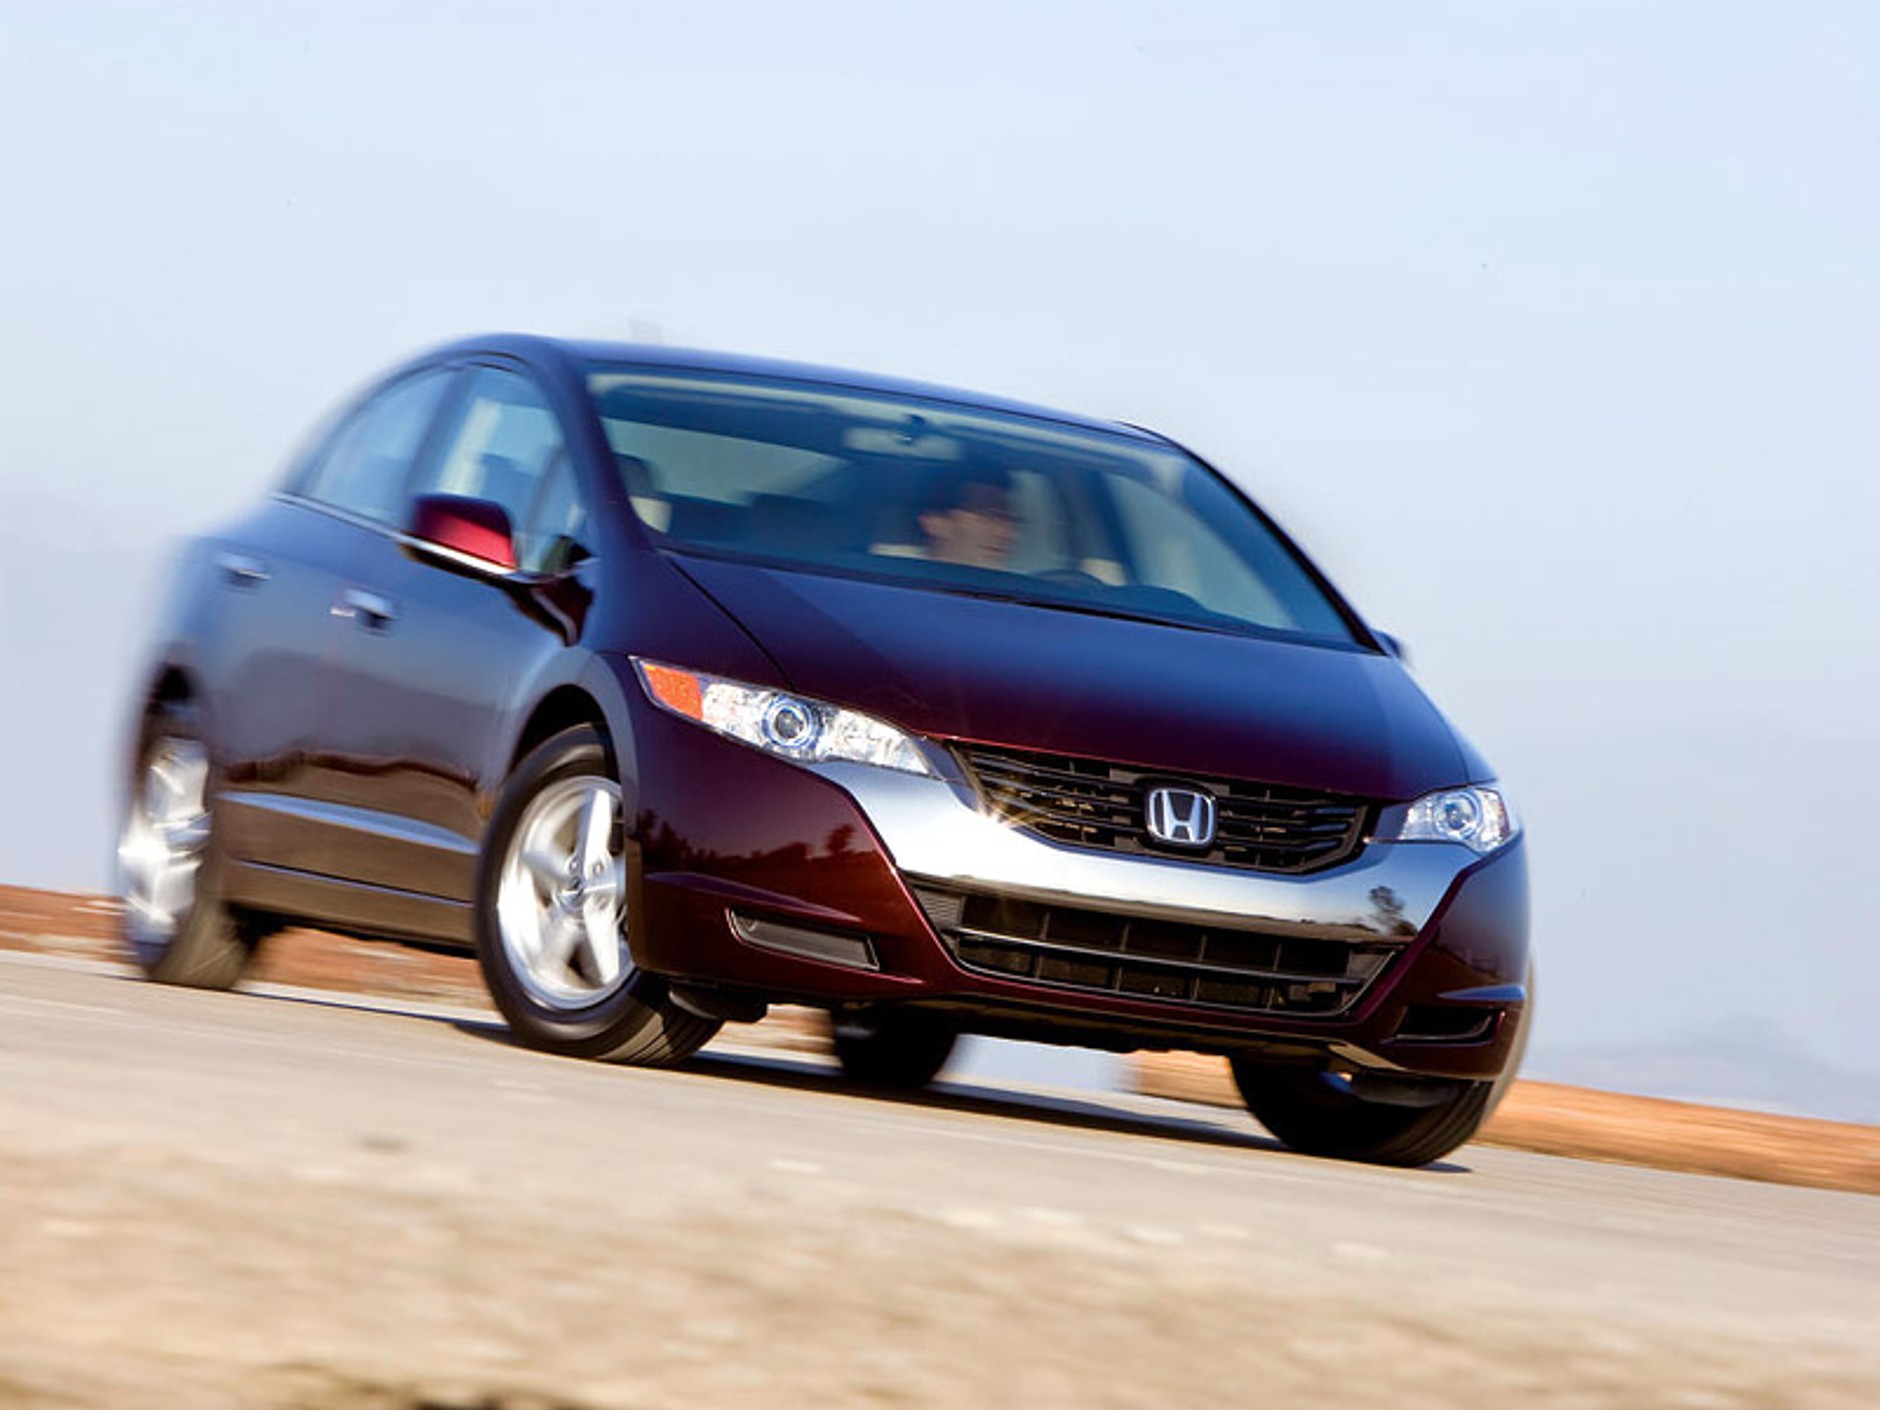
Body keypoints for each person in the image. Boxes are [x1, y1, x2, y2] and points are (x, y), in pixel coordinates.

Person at [916, 463, 1018, 569]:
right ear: (934, 522)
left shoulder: (1019, 583)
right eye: (988, 517)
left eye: (1010, 520)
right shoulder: (900, 572)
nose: (1006, 535)